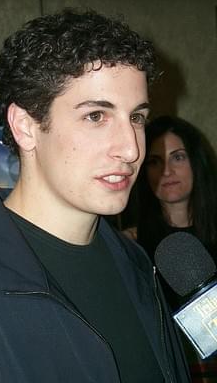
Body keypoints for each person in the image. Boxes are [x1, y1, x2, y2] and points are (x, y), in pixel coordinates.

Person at [0, 9, 190, 383]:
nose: (131, 150)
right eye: (97, 116)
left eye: (137, 118)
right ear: (26, 126)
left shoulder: (135, 261)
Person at [123, 115, 217, 381]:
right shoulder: (130, 247)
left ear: (196, 163)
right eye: (155, 161)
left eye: (177, 157)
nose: (166, 171)